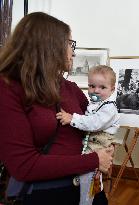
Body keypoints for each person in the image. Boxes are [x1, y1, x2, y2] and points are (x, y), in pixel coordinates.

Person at [0, 12, 113, 205]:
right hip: (45, 194)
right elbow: (23, 165)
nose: (73, 52)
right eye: (70, 43)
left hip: (89, 188)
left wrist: (106, 144)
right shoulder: (8, 88)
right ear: (49, 45)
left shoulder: (70, 88)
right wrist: (94, 160)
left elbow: (92, 123)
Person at [56, 65, 120, 205]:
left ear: (112, 89)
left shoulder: (109, 107)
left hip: (98, 143)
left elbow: (94, 123)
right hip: (90, 142)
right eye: (92, 86)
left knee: (90, 175)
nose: (96, 90)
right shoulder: (95, 104)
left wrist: (72, 118)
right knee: (91, 174)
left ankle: (86, 201)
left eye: (102, 87)